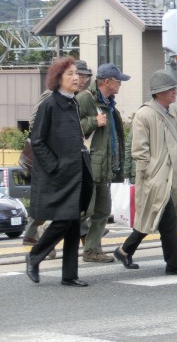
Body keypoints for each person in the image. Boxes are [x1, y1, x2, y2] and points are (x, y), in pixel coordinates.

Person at [114, 70, 177, 274]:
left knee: (153, 217)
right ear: (159, 92)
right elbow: (139, 150)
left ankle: (124, 250)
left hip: (175, 175)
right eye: (170, 89)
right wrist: (149, 174)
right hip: (155, 178)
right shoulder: (144, 114)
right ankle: (174, 264)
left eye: (174, 88)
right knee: (166, 219)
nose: (174, 92)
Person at [25, 56, 94, 286]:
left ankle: (69, 275)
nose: (77, 78)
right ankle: (34, 256)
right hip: (60, 175)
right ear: (58, 79)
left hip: (76, 172)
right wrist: (55, 165)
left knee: (74, 222)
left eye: (77, 74)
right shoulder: (50, 104)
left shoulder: (72, 102)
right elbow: (37, 141)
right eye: (71, 75)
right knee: (64, 220)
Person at [76, 63, 129, 262]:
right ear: (106, 82)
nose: (120, 85)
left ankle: (92, 251)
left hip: (104, 168)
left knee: (102, 212)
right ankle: (47, 234)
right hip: (89, 168)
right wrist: (93, 122)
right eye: (118, 81)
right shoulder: (85, 99)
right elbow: (70, 126)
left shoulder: (110, 105)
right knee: (84, 211)